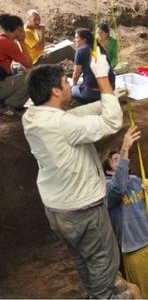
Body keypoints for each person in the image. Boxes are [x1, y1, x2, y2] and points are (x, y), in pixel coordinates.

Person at [22, 52, 124, 298]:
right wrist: (103, 80)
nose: (70, 84)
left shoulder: (32, 117)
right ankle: (102, 297)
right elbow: (112, 123)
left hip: (57, 209)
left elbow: (71, 117)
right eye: (66, 82)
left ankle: (94, 292)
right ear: (56, 91)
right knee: (104, 260)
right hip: (83, 209)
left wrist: (106, 101)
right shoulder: (63, 126)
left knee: (82, 258)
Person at [103, 125, 148, 299]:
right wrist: (124, 149)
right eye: (116, 160)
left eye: (121, 158)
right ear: (108, 171)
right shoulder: (108, 188)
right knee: (143, 293)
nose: (122, 161)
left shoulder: (136, 179)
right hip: (133, 249)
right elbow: (119, 186)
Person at [72, 28, 116, 104]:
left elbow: (76, 75)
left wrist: (73, 85)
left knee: (71, 90)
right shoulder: (101, 49)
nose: (74, 40)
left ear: (84, 39)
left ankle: (87, 103)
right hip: (110, 89)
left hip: (93, 93)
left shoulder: (80, 51)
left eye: (76, 37)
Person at [0, 13, 33, 114]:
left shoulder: (2, 40)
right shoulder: (8, 43)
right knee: (33, 75)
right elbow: (29, 64)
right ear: (18, 29)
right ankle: (12, 104)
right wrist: (22, 41)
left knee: (19, 70)